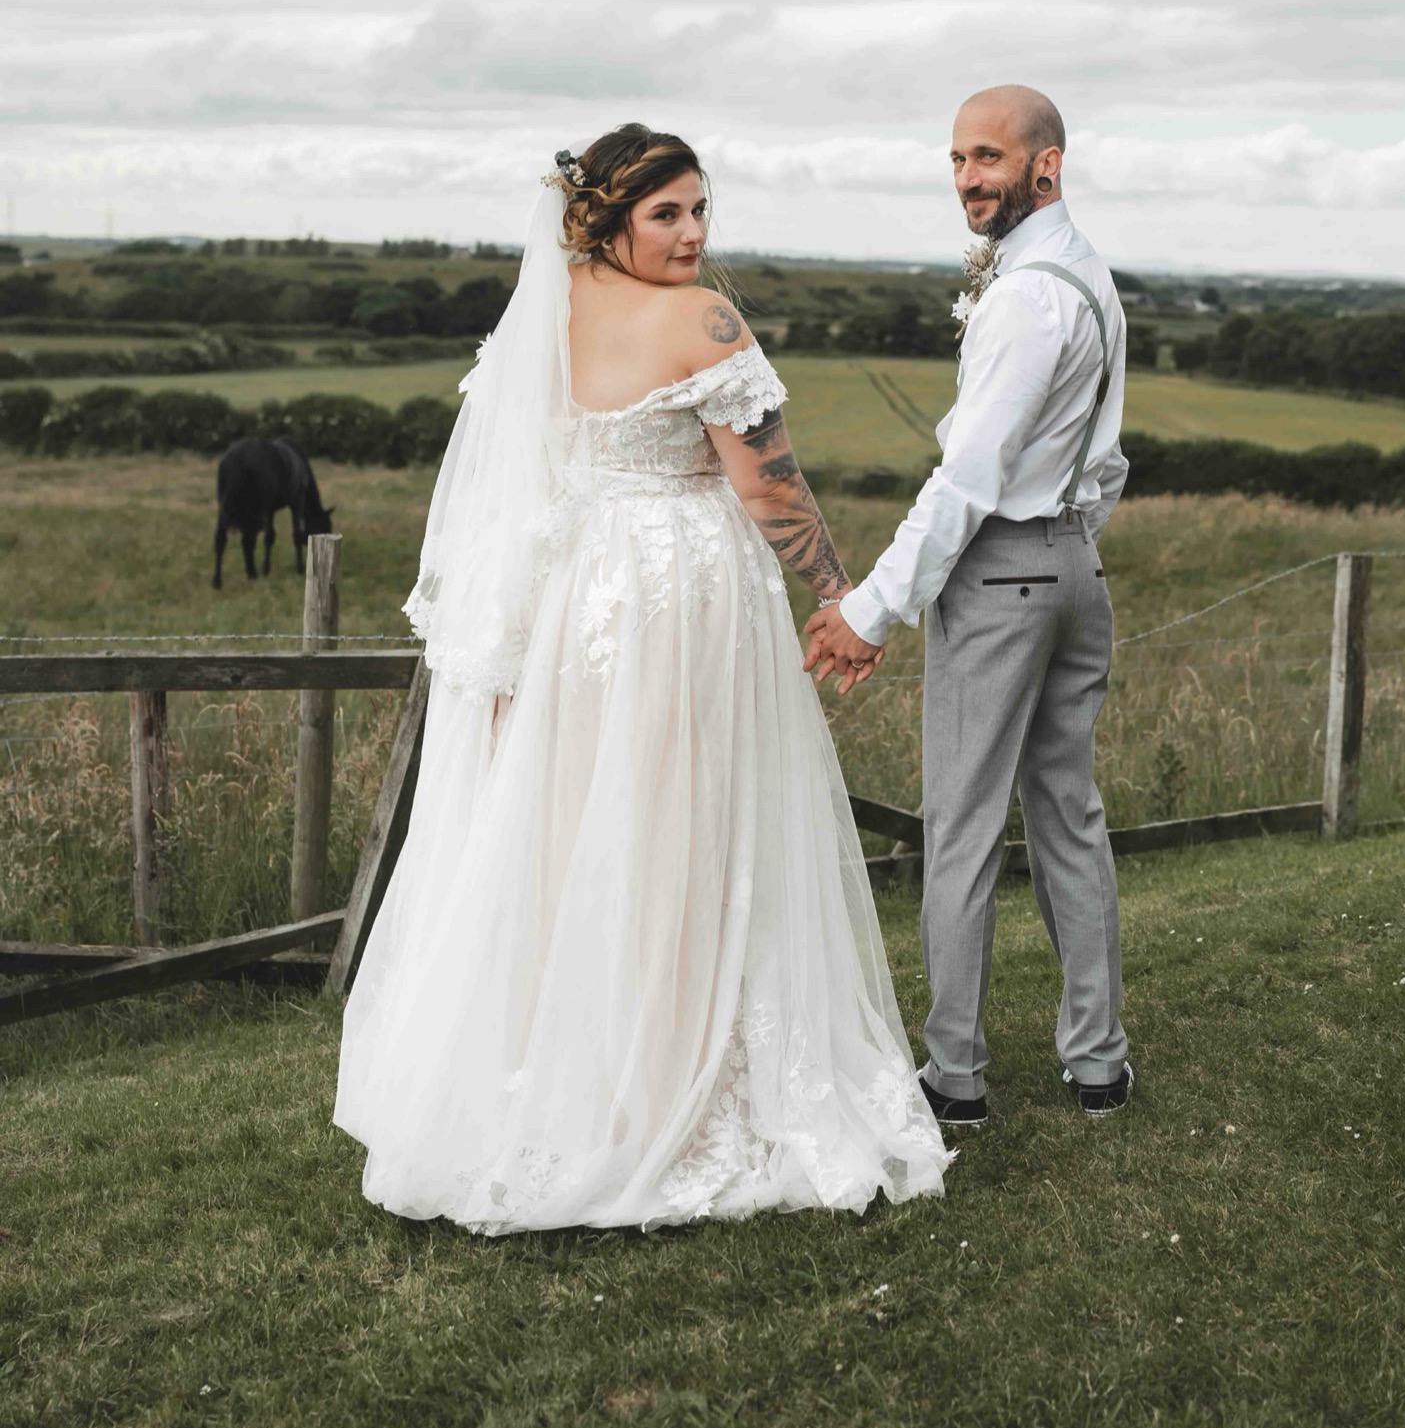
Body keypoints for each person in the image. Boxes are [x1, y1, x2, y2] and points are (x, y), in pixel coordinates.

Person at [334, 124, 951, 1232]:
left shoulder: (552, 309)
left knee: (592, 828)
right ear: (607, 218)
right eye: (666, 214)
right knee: (686, 824)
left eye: (701, 211)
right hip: (681, 599)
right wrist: (840, 596)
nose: (693, 234)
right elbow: (772, 490)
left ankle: (593, 1066)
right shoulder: (705, 319)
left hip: (581, 602)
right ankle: (681, 1068)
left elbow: (525, 473)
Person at [805, 85, 1132, 1127]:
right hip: (1076, 570)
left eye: (986, 157)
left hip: (1000, 577)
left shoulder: (1027, 297)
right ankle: (1098, 1064)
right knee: (1069, 816)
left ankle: (954, 1077)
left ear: (1047, 164)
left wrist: (869, 607)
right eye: (954, 158)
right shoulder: (1088, 274)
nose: (965, 179)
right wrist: (1067, 546)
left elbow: (967, 477)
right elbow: (1107, 459)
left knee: (958, 828)